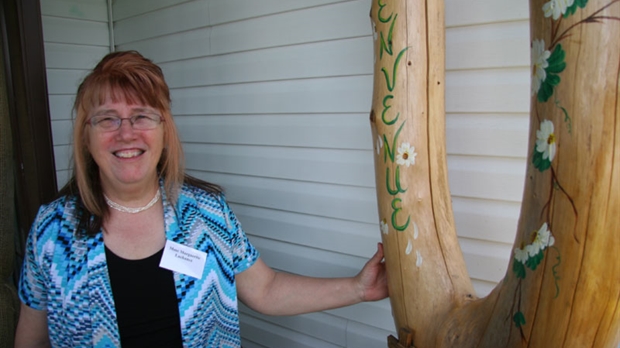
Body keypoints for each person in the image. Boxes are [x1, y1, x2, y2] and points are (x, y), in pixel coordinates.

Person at [14, 51, 388, 347]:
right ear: (86, 136)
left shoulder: (207, 213)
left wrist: (358, 288)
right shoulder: (52, 230)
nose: (126, 133)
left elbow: (266, 289)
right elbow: (31, 341)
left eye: (142, 116)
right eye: (107, 119)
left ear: (164, 131)